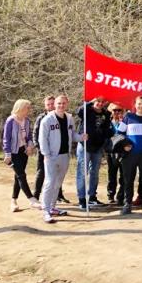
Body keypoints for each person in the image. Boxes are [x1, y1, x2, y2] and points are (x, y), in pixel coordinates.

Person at [38, 95, 86, 223]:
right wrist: (46, 155)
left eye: (64, 103)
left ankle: (53, 207)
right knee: (49, 182)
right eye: (59, 103)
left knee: (58, 183)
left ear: (67, 104)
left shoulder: (69, 118)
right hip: (51, 156)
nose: (61, 105)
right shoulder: (47, 120)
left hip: (65, 155)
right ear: (54, 104)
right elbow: (42, 139)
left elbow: (72, 135)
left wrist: (81, 137)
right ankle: (46, 210)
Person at [75, 96, 113, 209]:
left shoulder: (106, 114)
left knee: (94, 173)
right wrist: (89, 103)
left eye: (102, 102)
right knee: (82, 172)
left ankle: (92, 197)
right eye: (97, 101)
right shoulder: (87, 110)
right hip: (85, 145)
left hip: (98, 147)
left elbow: (106, 129)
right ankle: (82, 199)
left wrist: (106, 136)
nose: (99, 104)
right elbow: (79, 112)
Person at [3, 99, 40, 212]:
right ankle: (31, 199)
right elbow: (6, 139)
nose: (29, 110)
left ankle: (13, 201)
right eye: (27, 108)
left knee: (18, 176)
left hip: (23, 152)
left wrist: (30, 146)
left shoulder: (27, 121)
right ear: (20, 108)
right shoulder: (10, 121)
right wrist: (7, 154)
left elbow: (28, 137)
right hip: (13, 153)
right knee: (21, 175)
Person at [33, 96, 68, 204]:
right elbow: (36, 133)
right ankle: (36, 195)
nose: (51, 106)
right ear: (45, 106)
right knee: (42, 173)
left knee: (57, 175)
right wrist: (40, 148)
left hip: (58, 152)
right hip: (44, 151)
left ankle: (59, 196)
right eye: (48, 104)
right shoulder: (42, 118)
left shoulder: (63, 117)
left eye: (52, 104)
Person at [106, 103, 126, 205]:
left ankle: (121, 196)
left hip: (123, 152)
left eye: (119, 110)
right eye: (115, 110)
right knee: (111, 174)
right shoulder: (108, 122)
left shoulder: (125, 122)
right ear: (111, 111)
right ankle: (110, 195)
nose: (117, 112)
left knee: (123, 176)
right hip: (111, 152)